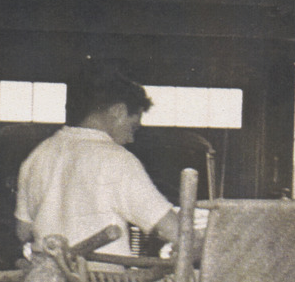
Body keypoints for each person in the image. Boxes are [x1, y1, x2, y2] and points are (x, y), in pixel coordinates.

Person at [14, 69, 179, 257]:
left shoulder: (37, 155)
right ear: (118, 111)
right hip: (101, 281)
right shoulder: (118, 159)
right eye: (133, 127)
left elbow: (23, 232)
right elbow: (171, 229)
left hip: (48, 279)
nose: (131, 139)